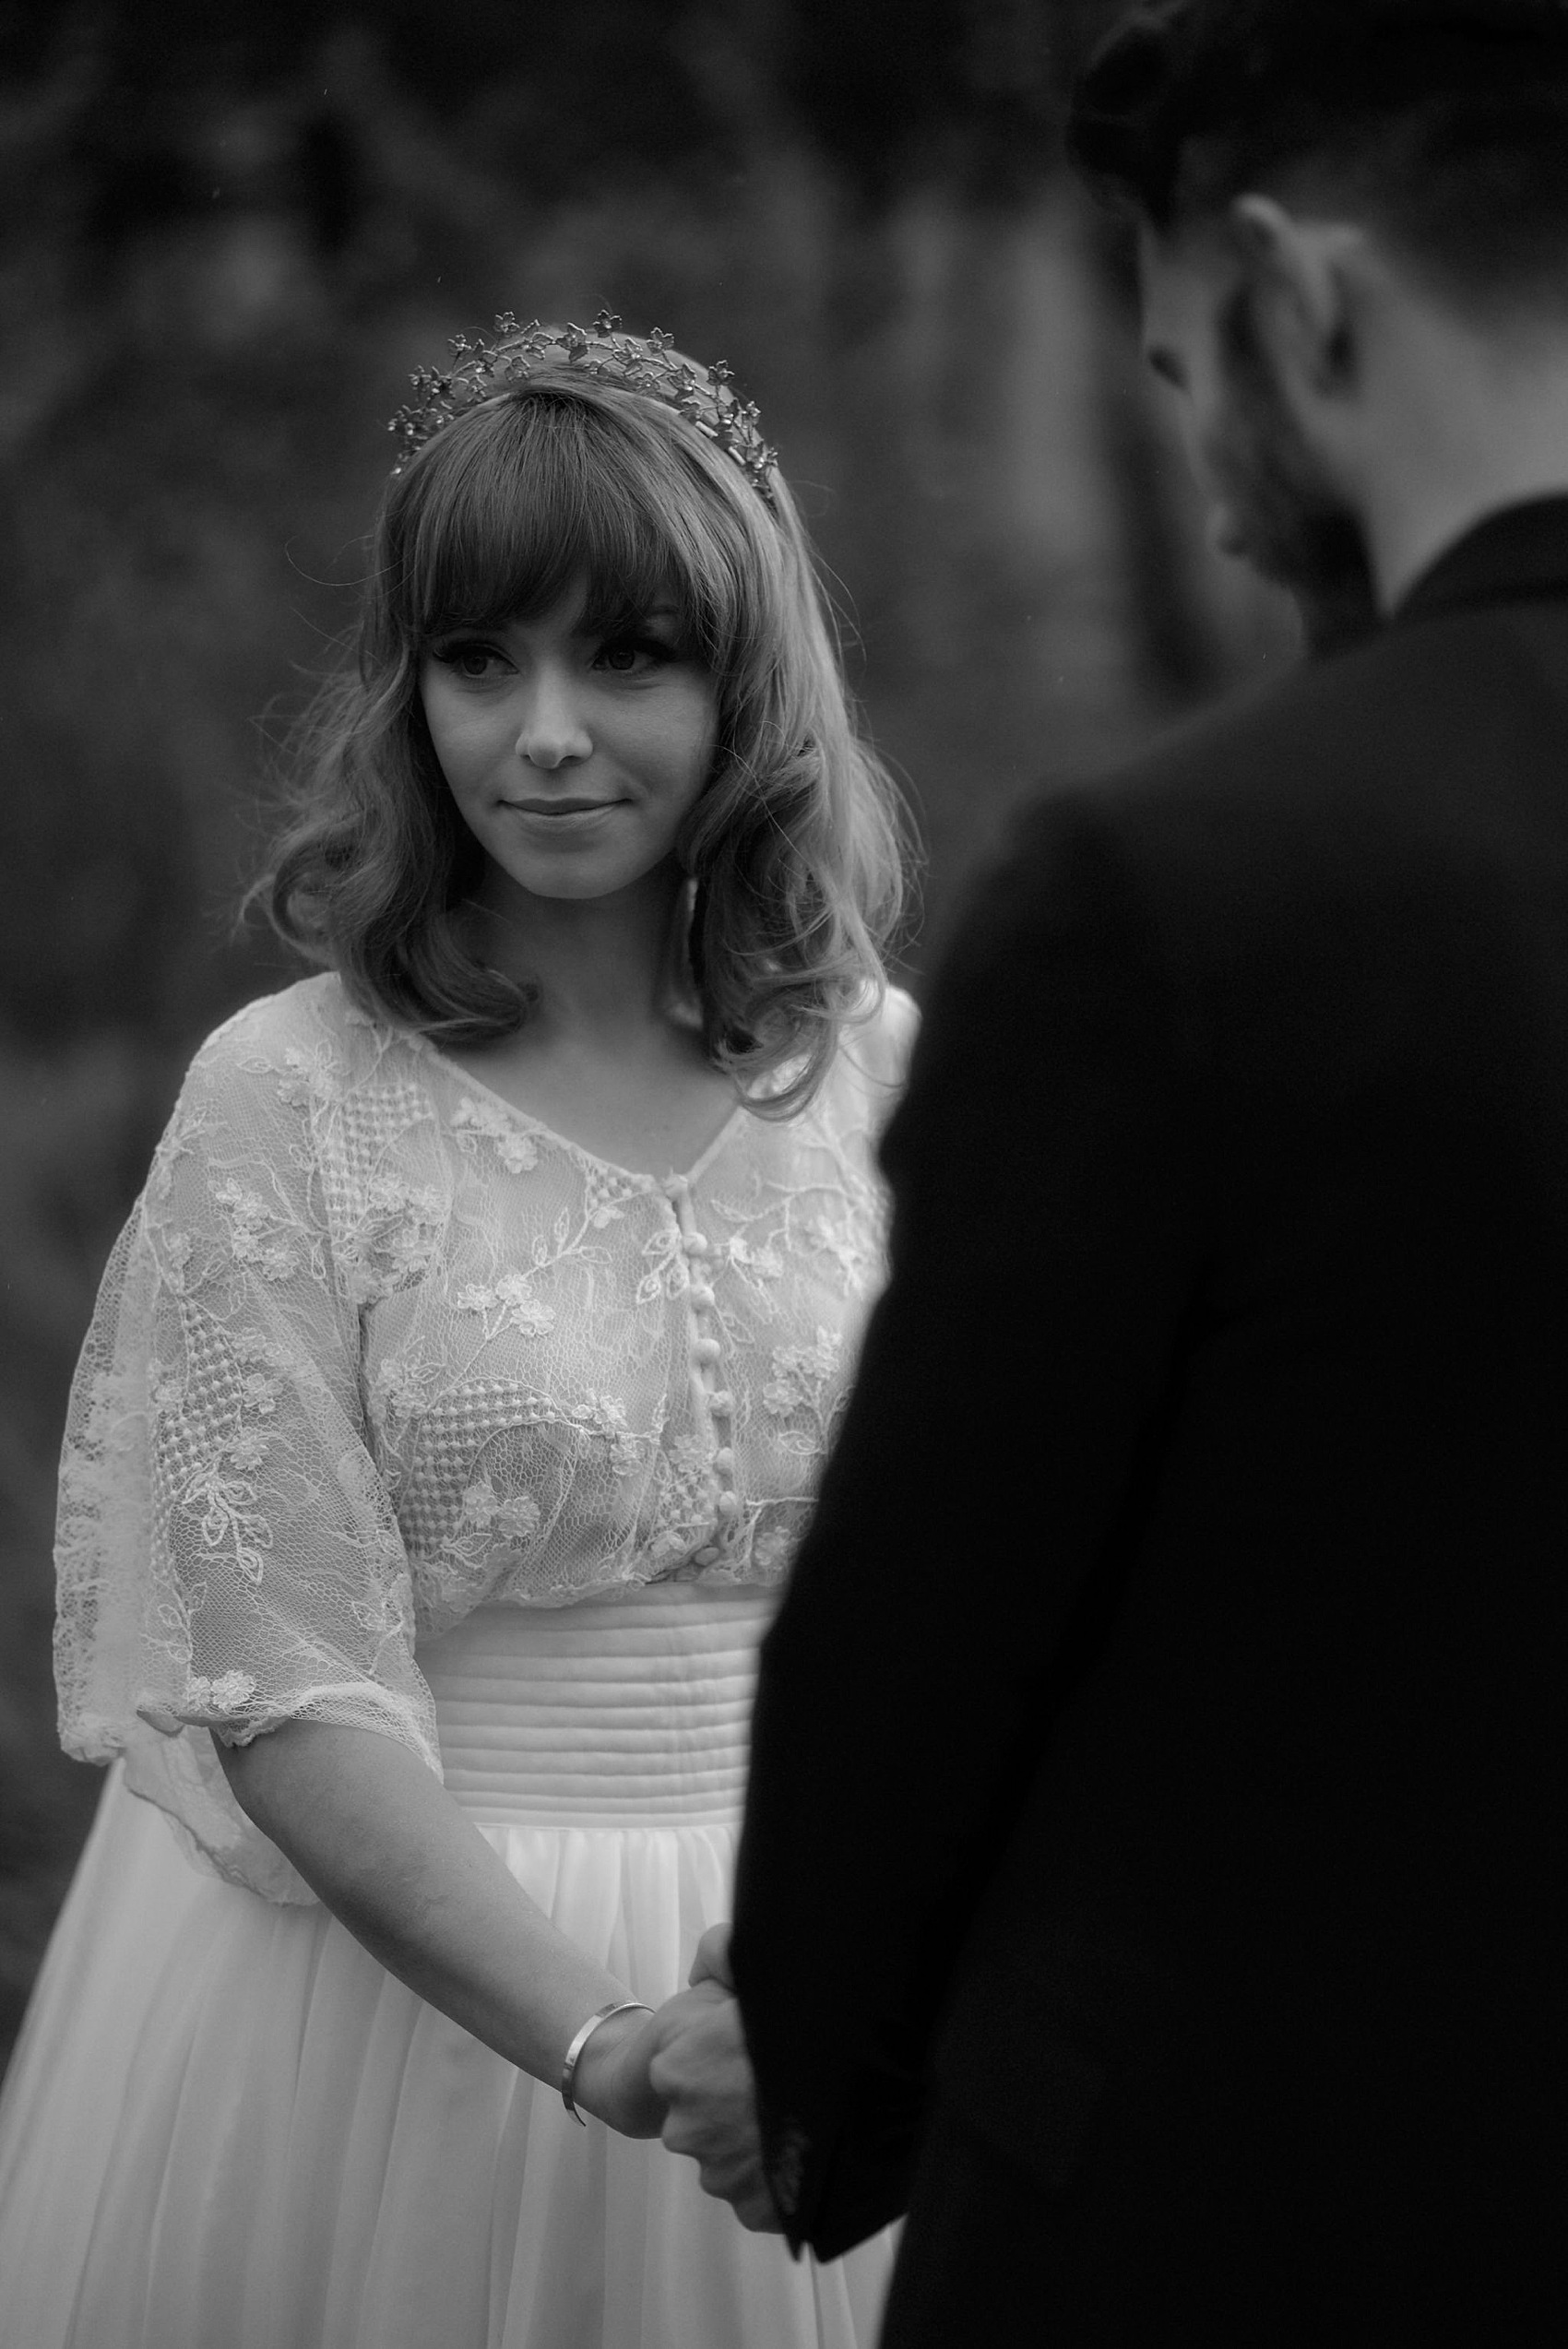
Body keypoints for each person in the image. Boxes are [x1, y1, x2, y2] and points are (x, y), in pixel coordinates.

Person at [725, 3, 1568, 2339]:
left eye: (1191, 372)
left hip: (1258, 2208)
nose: (1203, 485)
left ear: (1305, 299)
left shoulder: (1183, 890)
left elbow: (926, 1627)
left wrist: (816, 2064)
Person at [0, 312, 914, 2349]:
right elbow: (283, 1676)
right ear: (405, 690)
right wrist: (604, 2042)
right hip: (403, 2005)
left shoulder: (880, 1079)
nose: (547, 732)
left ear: (746, 678)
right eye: (480, 659)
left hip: (826, 1974)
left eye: (630, 655)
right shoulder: (292, 1100)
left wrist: (859, 1987)